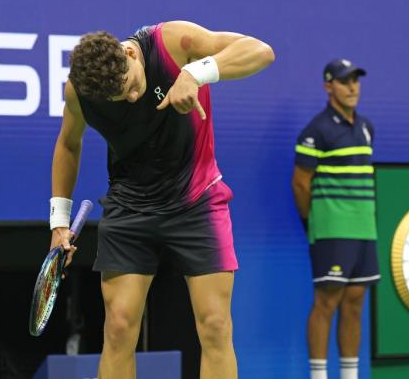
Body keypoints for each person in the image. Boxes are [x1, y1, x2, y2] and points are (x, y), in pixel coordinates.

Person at [49, 21, 275, 379]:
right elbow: (68, 143)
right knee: (119, 328)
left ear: (129, 54)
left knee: (215, 326)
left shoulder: (171, 42)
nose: (134, 98)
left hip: (197, 200)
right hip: (130, 207)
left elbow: (261, 51)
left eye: (133, 86)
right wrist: (59, 220)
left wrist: (196, 73)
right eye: (121, 99)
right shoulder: (80, 92)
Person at [292, 58, 380, 379]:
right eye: (345, 81)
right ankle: (318, 375)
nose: (353, 87)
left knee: (356, 302)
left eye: (356, 80)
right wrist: (314, 222)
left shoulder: (367, 127)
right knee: (326, 302)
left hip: (363, 229)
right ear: (329, 86)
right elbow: (301, 184)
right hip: (331, 230)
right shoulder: (316, 131)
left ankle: (349, 375)